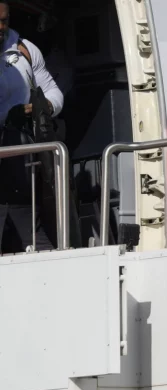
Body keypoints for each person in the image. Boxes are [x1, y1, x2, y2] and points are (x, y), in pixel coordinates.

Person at [0, 1, 64, 253]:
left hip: (20, 158)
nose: (0, 26)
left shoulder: (24, 49)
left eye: (4, 20)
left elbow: (52, 90)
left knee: (34, 236)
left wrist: (46, 107)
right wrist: (8, 115)